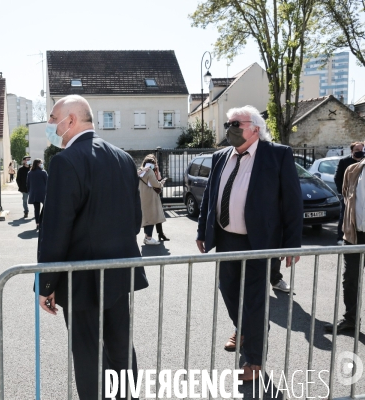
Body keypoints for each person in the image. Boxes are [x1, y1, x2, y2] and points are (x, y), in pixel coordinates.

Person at [38, 95, 148, 399]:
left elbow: (56, 230)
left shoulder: (64, 161)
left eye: (51, 118)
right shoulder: (123, 158)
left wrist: (46, 283)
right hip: (116, 273)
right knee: (121, 349)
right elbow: (135, 220)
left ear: (70, 121)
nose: (49, 125)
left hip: (81, 277)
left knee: (87, 355)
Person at [196, 105, 302, 381]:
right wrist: (201, 231)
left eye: (235, 124)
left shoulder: (277, 155)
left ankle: (253, 360)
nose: (229, 129)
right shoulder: (220, 156)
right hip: (227, 239)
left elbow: (292, 201)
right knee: (228, 290)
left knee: (255, 300)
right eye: (228, 124)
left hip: (261, 241)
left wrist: (292, 243)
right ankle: (243, 328)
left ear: (255, 128)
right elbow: (210, 196)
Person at [325, 153, 365, 333]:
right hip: (354, 236)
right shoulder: (353, 170)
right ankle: (350, 320)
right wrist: (344, 230)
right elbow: (346, 201)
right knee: (350, 279)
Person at [334, 142, 364, 245]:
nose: (360, 152)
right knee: (344, 216)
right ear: (352, 151)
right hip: (347, 195)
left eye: (361, 150)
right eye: (357, 150)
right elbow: (337, 178)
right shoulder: (344, 161)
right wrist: (343, 193)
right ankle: (341, 237)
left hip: (359, 196)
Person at [138, 154, 167, 245]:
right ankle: (149, 238)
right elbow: (156, 183)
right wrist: (161, 184)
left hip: (142, 196)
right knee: (151, 216)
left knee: (146, 217)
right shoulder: (150, 171)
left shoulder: (140, 170)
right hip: (150, 196)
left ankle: (147, 237)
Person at [26, 158, 48, 230]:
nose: (42, 164)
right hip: (43, 193)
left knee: (36, 209)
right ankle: (44, 222)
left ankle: (37, 223)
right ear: (38, 164)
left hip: (34, 193)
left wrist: (30, 191)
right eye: (41, 163)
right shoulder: (43, 172)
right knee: (45, 208)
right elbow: (48, 182)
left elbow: (28, 184)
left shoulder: (30, 173)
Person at [152, 163, 170, 242]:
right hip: (150, 195)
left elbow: (159, 178)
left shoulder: (153, 171)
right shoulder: (146, 171)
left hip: (155, 195)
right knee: (151, 216)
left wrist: (157, 169)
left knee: (157, 214)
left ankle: (160, 234)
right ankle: (148, 236)